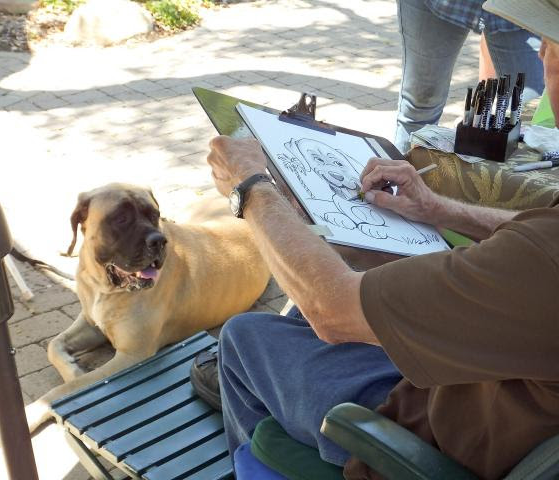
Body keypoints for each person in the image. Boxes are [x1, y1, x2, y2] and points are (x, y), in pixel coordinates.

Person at [191, 1, 559, 478]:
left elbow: (333, 311)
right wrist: (438, 209)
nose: (541, 53)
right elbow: (536, 235)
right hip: (500, 387)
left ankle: (267, 458)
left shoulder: (543, 262)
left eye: (549, 45)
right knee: (325, 291)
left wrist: (251, 187)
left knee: (245, 336)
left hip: (422, 434)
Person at [394, 0, 545, 153]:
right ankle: (402, 165)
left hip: (519, 9)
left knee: (532, 110)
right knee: (420, 103)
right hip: (438, 4)